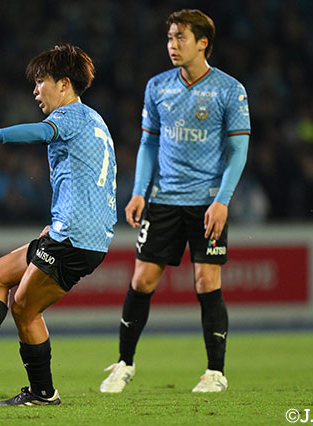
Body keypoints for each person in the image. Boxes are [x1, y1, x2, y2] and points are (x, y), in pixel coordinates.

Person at [0, 44, 117, 406]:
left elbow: (40, 133)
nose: (35, 91)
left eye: (41, 82)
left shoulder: (70, 116)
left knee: (24, 308)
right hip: (76, 231)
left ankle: (43, 393)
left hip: (75, 237)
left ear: (64, 84)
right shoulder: (94, 120)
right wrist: (63, 220)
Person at [100, 9, 250, 393]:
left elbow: (238, 150)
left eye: (180, 37)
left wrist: (223, 201)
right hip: (164, 199)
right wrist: (139, 191)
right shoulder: (157, 86)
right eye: (169, 37)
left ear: (203, 43)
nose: (172, 45)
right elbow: (149, 143)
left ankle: (215, 373)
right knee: (142, 279)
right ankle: (124, 364)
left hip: (207, 203)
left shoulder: (229, 90)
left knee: (206, 281)